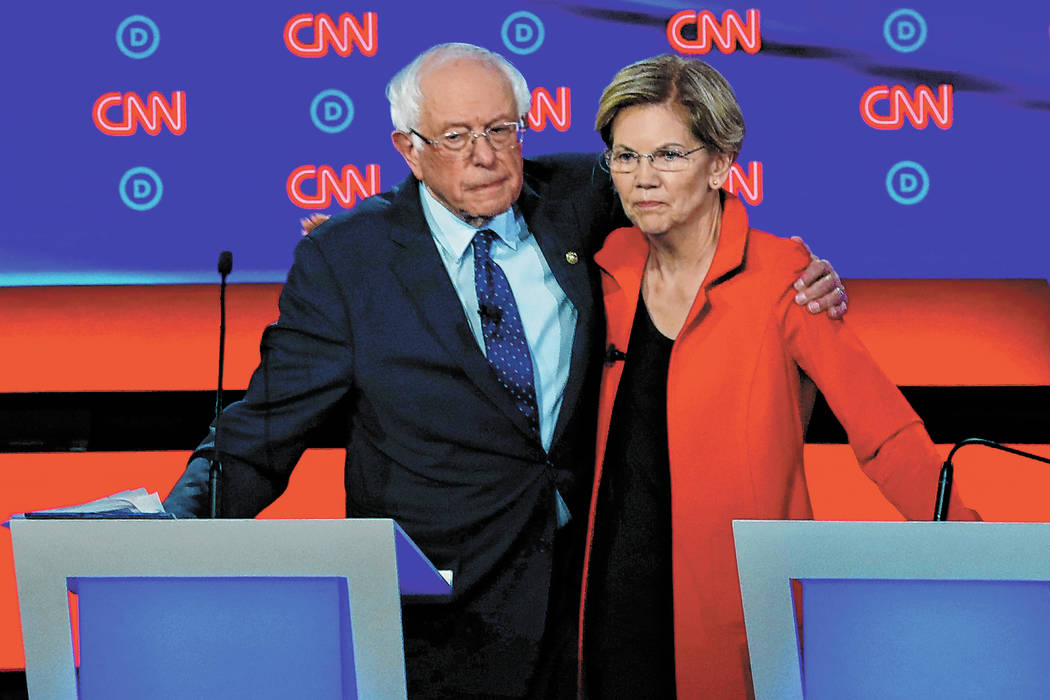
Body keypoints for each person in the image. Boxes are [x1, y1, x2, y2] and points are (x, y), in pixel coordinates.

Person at [164, 43, 844, 699]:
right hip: (438, 626)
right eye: (455, 137)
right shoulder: (349, 262)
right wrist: (167, 537)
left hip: (584, 606)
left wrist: (793, 267)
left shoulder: (580, 195)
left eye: (501, 129)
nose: (485, 157)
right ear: (408, 149)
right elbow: (261, 434)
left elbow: (691, 200)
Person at [576, 54, 979, 700]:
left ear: (721, 164)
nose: (643, 179)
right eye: (626, 157)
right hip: (613, 601)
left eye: (669, 155)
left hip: (740, 604)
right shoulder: (600, 268)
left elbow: (885, 433)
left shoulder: (783, 278)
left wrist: (980, 553)